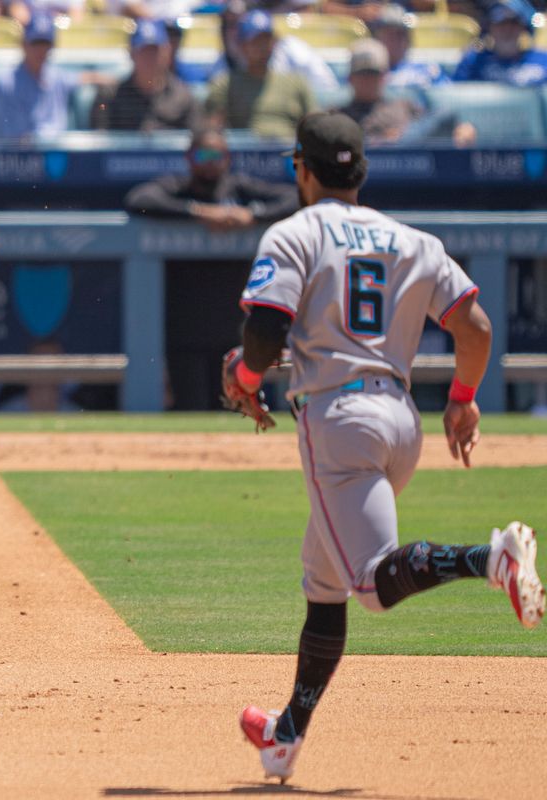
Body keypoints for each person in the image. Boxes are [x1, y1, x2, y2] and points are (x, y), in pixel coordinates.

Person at [229, 110, 544, 782]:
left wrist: (245, 377)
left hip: (337, 418)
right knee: (325, 581)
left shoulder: (292, 232)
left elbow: (265, 330)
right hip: (402, 419)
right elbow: (477, 327)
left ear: (300, 169)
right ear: (362, 170)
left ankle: (493, 559)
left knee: (369, 583)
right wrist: (461, 400)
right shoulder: (412, 238)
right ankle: (285, 736)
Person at [124, 127, 299, 231]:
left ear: (228, 159)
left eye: (217, 156)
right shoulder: (179, 186)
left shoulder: (237, 184)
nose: (210, 163)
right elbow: (139, 198)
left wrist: (253, 214)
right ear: (189, 158)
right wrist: (200, 212)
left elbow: (295, 198)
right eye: (203, 155)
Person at [334, 38, 477, 146]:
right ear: (350, 78)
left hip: (411, 168)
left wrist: (462, 130)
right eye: (362, 74)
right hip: (364, 169)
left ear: (385, 76)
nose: (368, 80)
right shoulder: (337, 114)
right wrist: (384, 140)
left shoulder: (404, 106)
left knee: (445, 115)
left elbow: (436, 123)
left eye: (374, 74)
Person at [206, 10, 317, 141]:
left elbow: (314, 123)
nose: (262, 46)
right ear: (242, 46)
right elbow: (212, 126)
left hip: (290, 155)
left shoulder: (296, 82)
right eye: (255, 41)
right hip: (245, 156)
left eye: (266, 40)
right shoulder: (226, 84)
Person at [89, 18, 201, 134]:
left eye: (154, 51)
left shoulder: (183, 97)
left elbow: (196, 143)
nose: (150, 58)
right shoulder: (110, 97)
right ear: (131, 53)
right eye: (143, 51)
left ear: (167, 53)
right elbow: (99, 143)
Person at [0, 11, 75, 140]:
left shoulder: (58, 78)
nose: (41, 50)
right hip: (14, 157)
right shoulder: (6, 83)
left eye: (45, 44)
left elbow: (80, 79)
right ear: (24, 44)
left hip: (56, 156)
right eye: (35, 43)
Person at [211, 0, 339, 93]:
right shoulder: (221, 64)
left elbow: (328, 91)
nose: (234, 32)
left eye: (240, 23)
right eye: (229, 25)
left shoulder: (294, 51)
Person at [453, 0, 547, 87]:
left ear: (524, 28)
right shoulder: (474, 61)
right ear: (489, 28)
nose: (507, 30)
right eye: (500, 23)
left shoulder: (543, 61)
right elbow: (456, 96)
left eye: (513, 23)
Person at [368, 4, 450, 91]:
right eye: (389, 34)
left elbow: (447, 98)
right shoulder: (364, 74)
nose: (396, 40)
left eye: (401, 34)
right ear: (376, 39)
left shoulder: (429, 70)